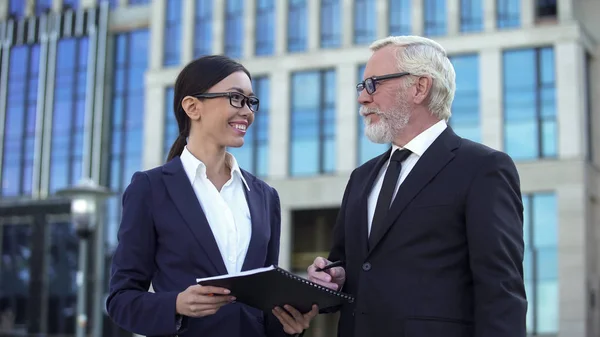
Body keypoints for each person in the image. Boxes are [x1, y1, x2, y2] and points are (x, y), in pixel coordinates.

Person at [306, 36, 527, 337]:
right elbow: (352, 265)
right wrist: (335, 276)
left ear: (419, 88)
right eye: (362, 86)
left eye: (373, 84)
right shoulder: (361, 177)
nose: (363, 98)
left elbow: (501, 291)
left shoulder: (483, 168)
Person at [106, 55, 317, 337]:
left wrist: (290, 326)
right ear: (192, 107)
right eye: (235, 98)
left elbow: (263, 308)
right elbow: (121, 300)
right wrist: (177, 304)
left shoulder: (265, 197)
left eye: (250, 101)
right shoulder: (150, 188)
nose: (247, 111)